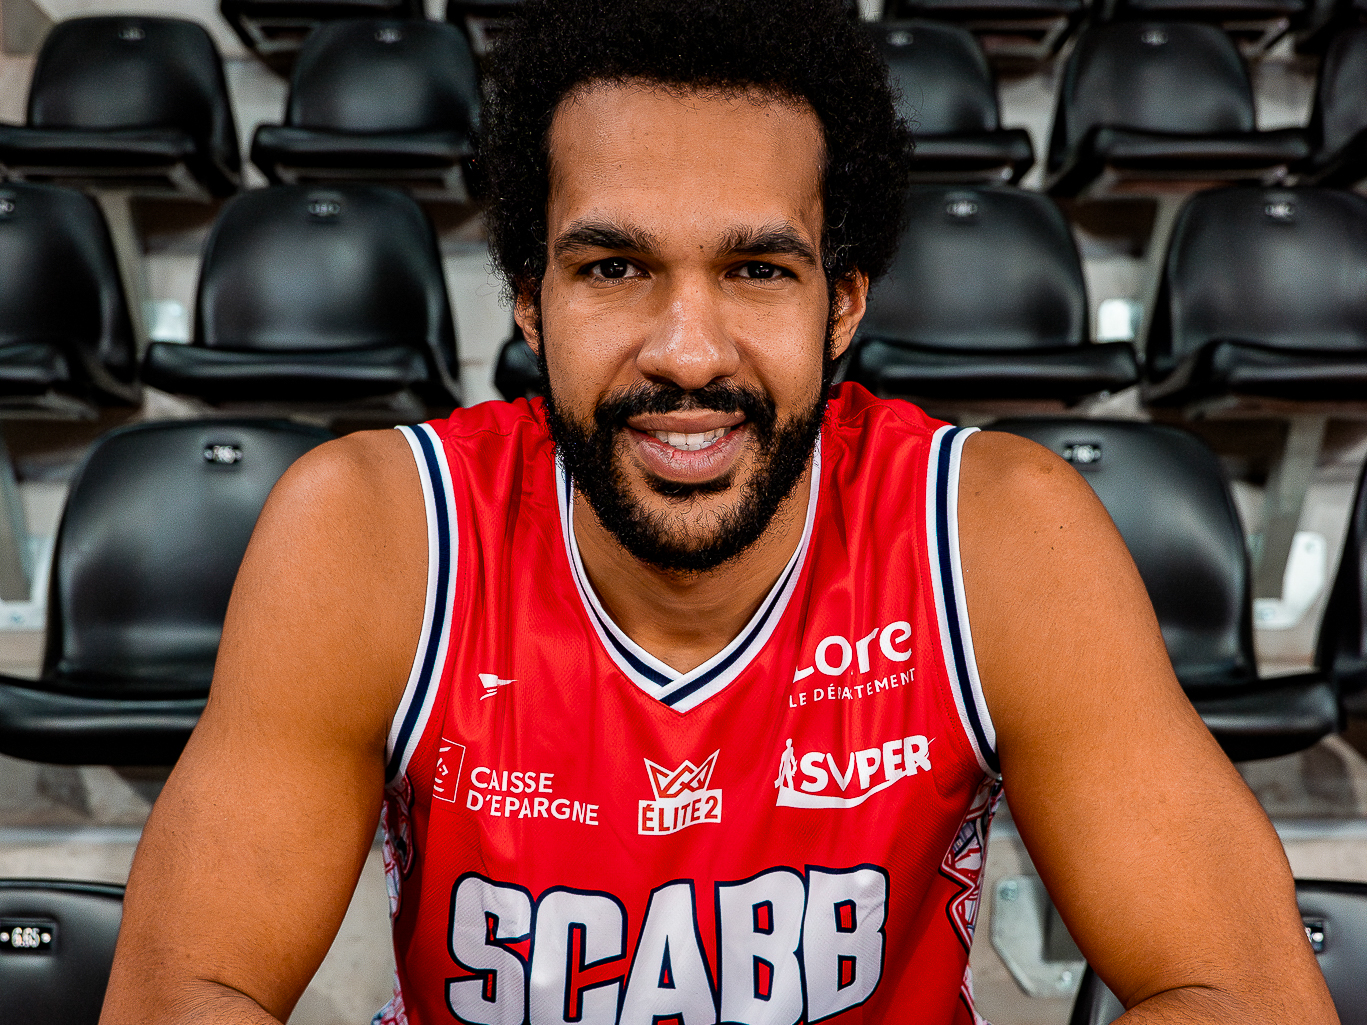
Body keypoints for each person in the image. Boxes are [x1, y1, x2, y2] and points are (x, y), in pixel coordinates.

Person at [100, 1, 1336, 1022]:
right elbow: (181, 989)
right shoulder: (377, 530)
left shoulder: (994, 533)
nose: (686, 352)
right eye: (613, 267)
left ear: (840, 303)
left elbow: (1244, 991)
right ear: (529, 298)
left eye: (754, 269)